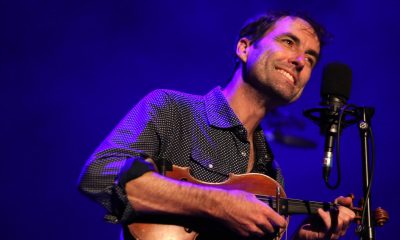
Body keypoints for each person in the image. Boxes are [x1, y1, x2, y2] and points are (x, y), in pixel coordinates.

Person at [78, 11, 355, 239]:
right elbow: (98, 175)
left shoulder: (271, 173)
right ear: (245, 48)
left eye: (310, 58)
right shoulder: (172, 110)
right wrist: (218, 203)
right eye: (288, 42)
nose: (299, 62)